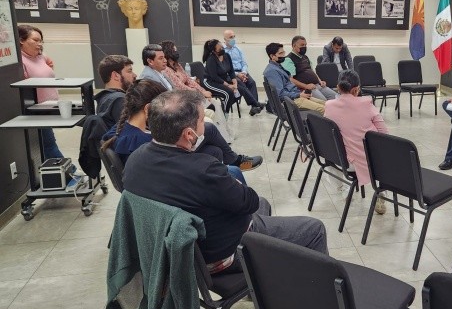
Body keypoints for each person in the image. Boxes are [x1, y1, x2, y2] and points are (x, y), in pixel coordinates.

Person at [122, 90, 327, 273]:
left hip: (175, 252)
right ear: (189, 134)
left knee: (264, 203)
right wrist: (229, 179)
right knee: (314, 228)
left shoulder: (135, 159)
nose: (205, 126)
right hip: (220, 255)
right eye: (202, 121)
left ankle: (262, 280)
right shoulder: (203, 169)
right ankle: (318, 292)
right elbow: (249, 201)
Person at [102, 82, 258, 182]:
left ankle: (223, 171)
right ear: (148, 108)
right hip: (170, 179)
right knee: (210, 131)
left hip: (165, 173)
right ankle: (230, 166)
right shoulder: (141, 143)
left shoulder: (122, 129)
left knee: (214, 151)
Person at [324, 70, 388, 214]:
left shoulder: (329, 106)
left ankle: (344, 188)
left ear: (338, 87)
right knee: (381, 154)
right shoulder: (367, 104)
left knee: (332, 149)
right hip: (368, 162)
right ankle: (380, 190)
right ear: (356, 89)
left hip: (340, 161)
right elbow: (384, 134)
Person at [18, 24, 66, 160]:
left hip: (49, 107)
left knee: (46, 143)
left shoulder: (41, 56)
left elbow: (48, 69)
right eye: (35, 40)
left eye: (41, 41)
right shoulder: (20, 62)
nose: (39, 44)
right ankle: (70, 170)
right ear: (21, 40)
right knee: (48, 144)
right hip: (36, 111)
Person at [202, 39, 264, 115]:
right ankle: (225, 113)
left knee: (241, 89)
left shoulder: (226, 56)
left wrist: (235, 83)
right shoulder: (211, 59)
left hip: (222, 80)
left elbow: (231, 71)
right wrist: (228, 85)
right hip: (210, 82)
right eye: (220, 49)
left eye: (222, 47)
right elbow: (214, 77)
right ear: (214, 51)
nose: (222, 49)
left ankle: (222, 108)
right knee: (229, 92)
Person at [263, 43, 325, 114]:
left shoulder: (278, 67)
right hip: (291, 101)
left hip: (296, 96)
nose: (283, 55)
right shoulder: (272, 71)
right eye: (280, 53)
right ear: (272, 56)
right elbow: (280, 94)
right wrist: (298, 95)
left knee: (328, 105)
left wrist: (300, 94)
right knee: (324, 109)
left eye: (283, 52)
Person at [282, 36, 336, 101]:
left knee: (336, 97)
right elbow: (290, 79)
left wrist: (320, 81)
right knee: (323, 101)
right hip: (306, 88)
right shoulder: (289, 59)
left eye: (305, 45)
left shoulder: (305, 57)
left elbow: (312, 71)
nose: (304, 47)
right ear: (294, 46)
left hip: (317, 85)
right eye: (302, 45)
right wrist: (306, 86)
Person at [222, 29, 262, 114]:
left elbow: (244, 63)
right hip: (230, 74)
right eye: (230, 37)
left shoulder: (238, 49)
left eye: (234, 36)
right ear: (225, 39)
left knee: (252, 82)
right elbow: (225, 68)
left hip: (242, 71)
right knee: (241, 84)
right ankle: (255, 104)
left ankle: (254, 107)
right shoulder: (222, 51)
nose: (233, 39)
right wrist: (237, 74)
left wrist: (244, 72)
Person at [95, 55, 136, 129]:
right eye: (129, 71)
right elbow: (131, 131)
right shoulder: (119, 99)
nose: (135, 75)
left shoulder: (103, 98)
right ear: (116, 75)